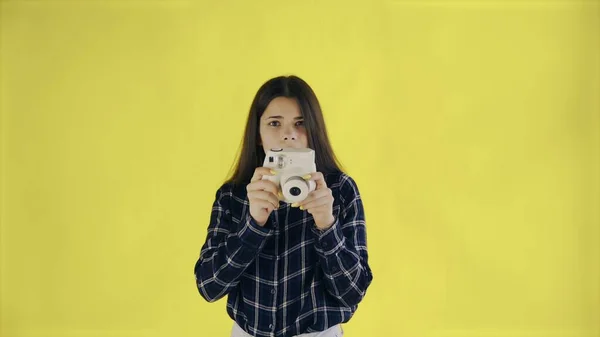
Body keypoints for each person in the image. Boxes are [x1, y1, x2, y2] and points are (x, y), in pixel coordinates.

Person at [194, 75, 373, 337]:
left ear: (315, 130)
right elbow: (209, 286)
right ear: (258, 133)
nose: (288, 135)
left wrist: (327, 224)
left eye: (300, 123)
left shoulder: (340, 190)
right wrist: (252, 224)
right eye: (274, 123)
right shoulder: (233, 195)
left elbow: (353, 292)